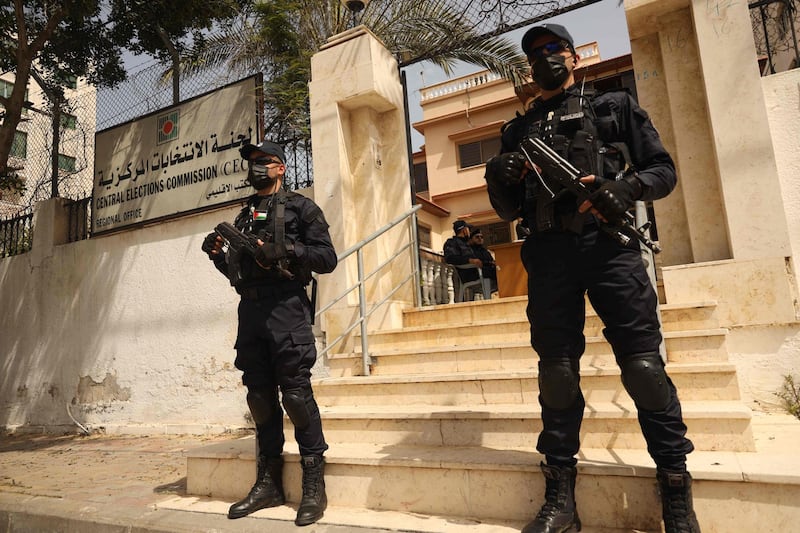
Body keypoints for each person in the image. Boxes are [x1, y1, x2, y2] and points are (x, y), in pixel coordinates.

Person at [483, 23, 699, 533]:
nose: (544, 58)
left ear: (574, 58)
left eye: (554, 49)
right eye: (535, 53)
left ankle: (674, 484)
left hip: (609, 250)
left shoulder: (613, 108)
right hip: (549, 256)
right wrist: (499, 176)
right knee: (556, 373)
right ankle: (560, 495)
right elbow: (508, 209)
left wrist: (624, 190)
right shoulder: (517, 131)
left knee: (643, 368)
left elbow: (662, 170)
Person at [201, 140, 337, 527]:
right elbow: (236, 274)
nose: (255, 168)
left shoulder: (301, 208)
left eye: (263, 162)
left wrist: (288, 250)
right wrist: (217, 257)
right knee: (259, 395)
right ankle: (268, 482)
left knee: (294, 393)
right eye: (252, 163)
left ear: (280, 168)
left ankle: (313, 483)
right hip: (252, 310)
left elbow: (327, 258)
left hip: (287, 308)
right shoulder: (243, 217)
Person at [443, 220, 482, 285]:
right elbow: (450, 258)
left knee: (498, 269)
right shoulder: (452, 243)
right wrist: (470, 260)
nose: (469, 231)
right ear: (464, 230)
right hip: (469, 274)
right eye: (468, 229)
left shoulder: (467, 243)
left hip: (478, 271)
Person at [468, 227, 498, 294]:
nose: (480, 239)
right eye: (477, 237)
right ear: (471, 239)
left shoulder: (485, 251)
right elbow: (478, 262)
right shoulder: (470, 250)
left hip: (489, 273)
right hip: (478, 274)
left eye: (481, 237)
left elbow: (492, 262)